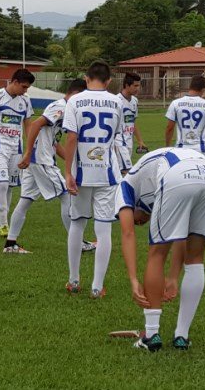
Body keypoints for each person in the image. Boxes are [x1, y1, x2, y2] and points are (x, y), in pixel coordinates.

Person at [117, 147, 205, 352]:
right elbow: (180, 234)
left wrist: (133, 280)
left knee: (157, 252)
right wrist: (173, 277)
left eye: (138, 220)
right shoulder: (147, 181)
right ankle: (181, 336)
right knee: (196, 258)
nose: (139, 223)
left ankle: (151, 335)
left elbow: (127, 233)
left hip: (177, 173)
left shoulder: (124, 187)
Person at [4, 79, 94, 254]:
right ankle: (78, 243)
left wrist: (71, 160)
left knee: (25, 200)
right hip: (41, 160)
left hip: (39, 159)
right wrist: (28, 153)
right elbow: (36, 124)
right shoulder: (59, 107)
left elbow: (54, 142)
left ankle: (10, 244)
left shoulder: (66, 109)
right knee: (66, 195)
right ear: (76, 94)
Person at [62, 61, 122, 298]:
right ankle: (97, 286)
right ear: (108, 81)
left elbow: (71, 138)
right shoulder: (117, 101)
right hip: (106, 173)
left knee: (77, 223)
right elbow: (116, 137)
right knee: (104, 229)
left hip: (81, 173)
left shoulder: (74, 101)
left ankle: (74, 280)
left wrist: (68, 172)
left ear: (86, 79)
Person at [0, 69, 35, 237]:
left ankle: (1, 223)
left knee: (10, 186)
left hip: (16, 149)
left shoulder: (25, 100)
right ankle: (3, 223)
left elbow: (28, 126)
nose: (25, 90)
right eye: (24, 87)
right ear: (15, 82)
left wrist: (29, 150)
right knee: (2, 184)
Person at [164, 75, 205, 160]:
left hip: (181, 149)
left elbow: (169, 128)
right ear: (203, 89)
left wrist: (167, 147)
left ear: (190, 86)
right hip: (200, 149)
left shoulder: (175, 103)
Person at [115, 72, 148, 173]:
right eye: (135, 85)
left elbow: (133, 122)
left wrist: (140, 141)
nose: (138, 88)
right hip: (119, 142)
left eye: (139, 85)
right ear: (126, 85)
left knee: (119, 172)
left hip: (129, 142)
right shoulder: (116, 101)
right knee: (128, 171)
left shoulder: (134, 101)